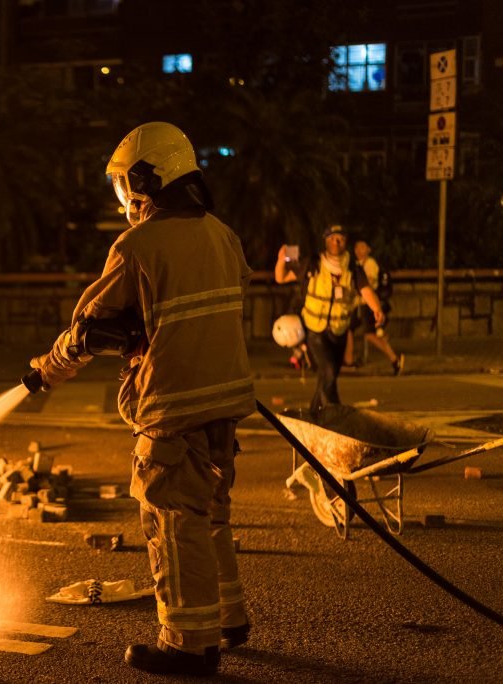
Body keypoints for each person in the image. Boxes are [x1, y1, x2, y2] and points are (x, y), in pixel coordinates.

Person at [28, 122, 254, 676]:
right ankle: (229, 618)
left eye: (126, 183)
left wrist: (46, 371)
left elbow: (87, 328)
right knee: (209, 516)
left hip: (172, 409)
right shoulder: (222, 235)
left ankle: (187, 645)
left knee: (173, 524)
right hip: (225, 407)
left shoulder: (137, 245)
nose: (126, 196)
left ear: (146, 178)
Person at [274, 225, 385, 415]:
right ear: (326, 241)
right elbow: (281, 277)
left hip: (339, 331)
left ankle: (317, 413)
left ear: (345, 242)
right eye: (332, 238)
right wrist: (281, 258)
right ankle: (331, 411)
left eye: (340, 238)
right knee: (329, 371)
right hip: (314, 330)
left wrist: (377, 309)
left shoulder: (352, 268)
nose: (336, 241)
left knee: (328, 376)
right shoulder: (312, 263)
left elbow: (365, 290)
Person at [344, 239, 404, 375]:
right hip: (358, 305)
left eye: (362, 247)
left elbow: (368, 284)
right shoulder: (357, 264)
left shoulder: (370, 264)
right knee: (348, 329)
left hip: (367, 305)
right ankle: (348, 361)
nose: (359, 250)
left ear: (368, 250)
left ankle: (395, 359)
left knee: (369, 335)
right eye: (357, 248)